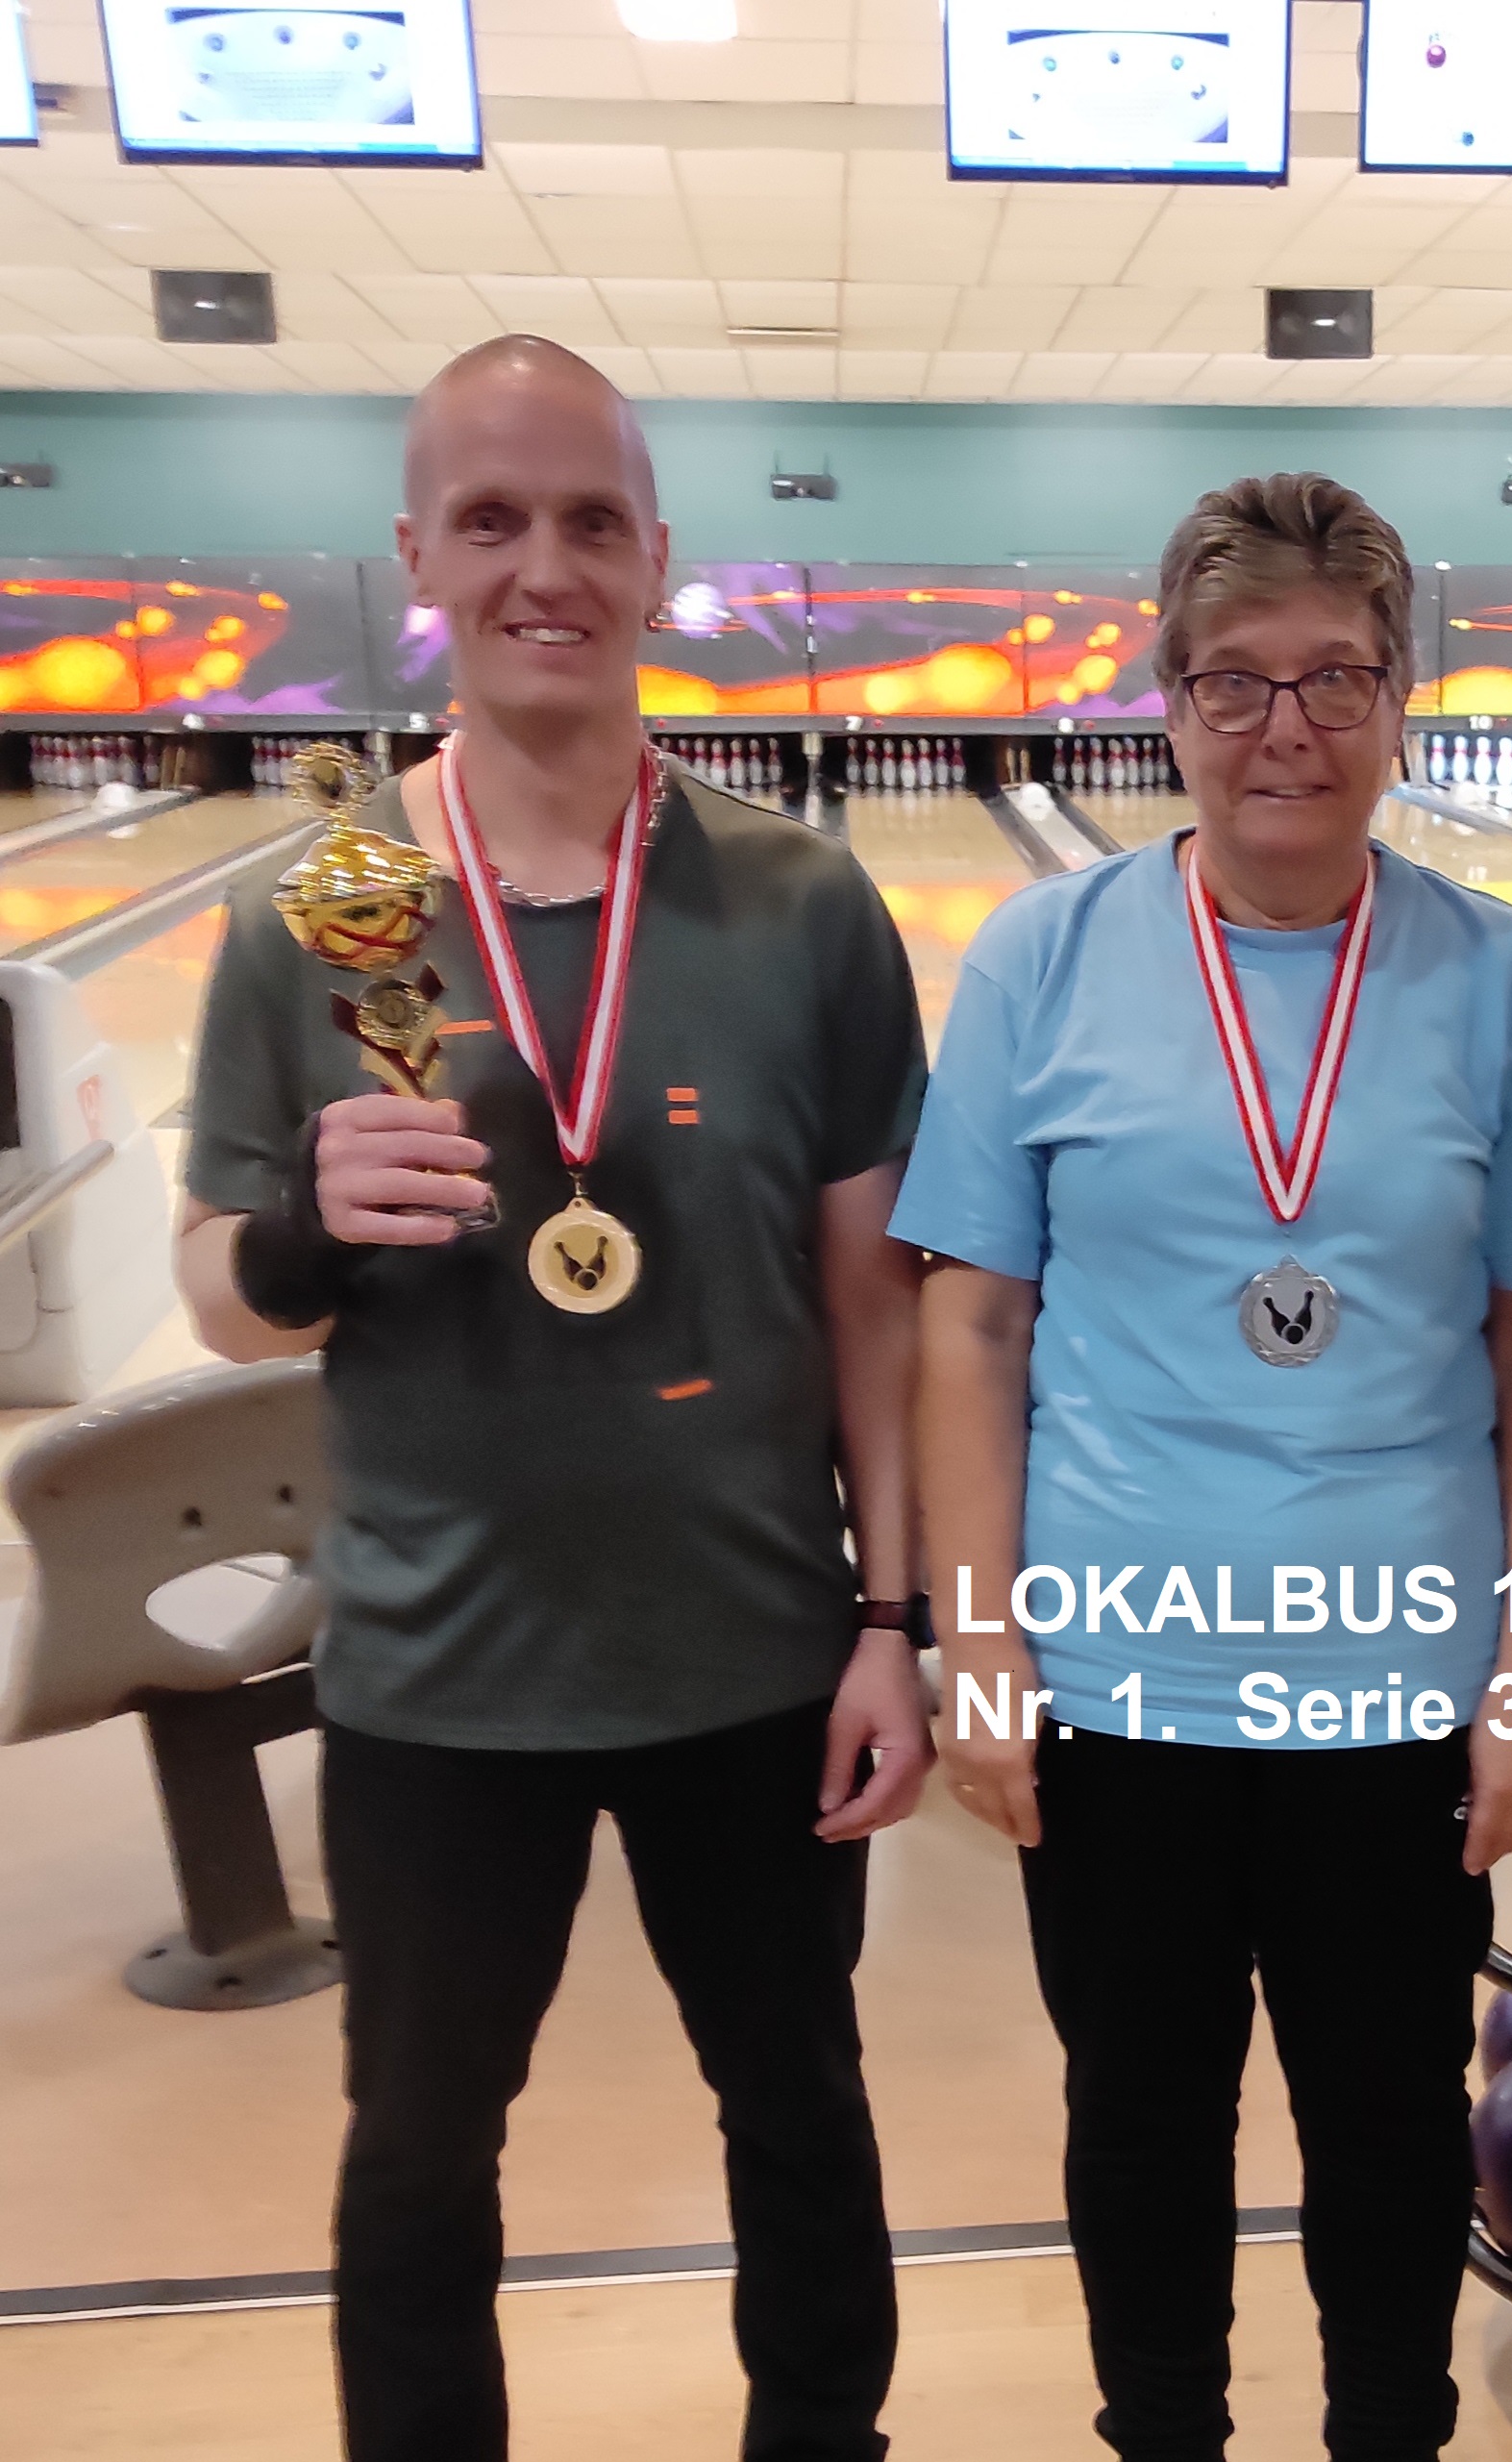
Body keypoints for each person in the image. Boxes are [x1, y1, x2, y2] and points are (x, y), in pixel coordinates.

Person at [174, 335, 931, 2462]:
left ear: (657, 561)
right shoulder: (309, 917)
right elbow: (221, 1295)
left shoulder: (804, 903)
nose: (545, 567)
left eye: (592, 521)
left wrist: (897, 1617)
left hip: (757, 1651)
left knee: (800, 2108)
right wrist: (307, 1233)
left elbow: (873, 1308)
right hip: (435, 1672)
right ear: (416, 555)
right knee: (419, 2156)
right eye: (491, 520)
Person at [895, 473, 1512, 2462]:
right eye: (1235, 681)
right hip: (1116, 1682)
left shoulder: (1497, 978)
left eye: (1334, 679)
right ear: (1171, 700)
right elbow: (968, 1324)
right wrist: (977, 1644)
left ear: (1398, 701)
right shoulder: (1042, 956)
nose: (1283, 728)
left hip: (1396, 1682)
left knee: (1388, 2126)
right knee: (1139, 2123)